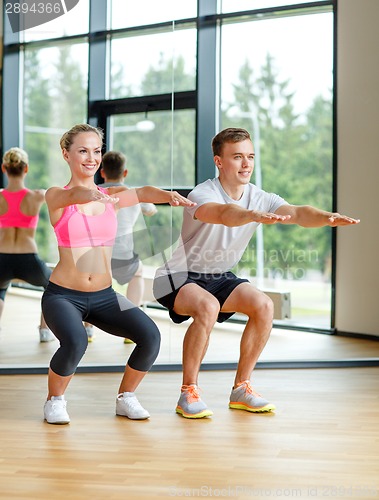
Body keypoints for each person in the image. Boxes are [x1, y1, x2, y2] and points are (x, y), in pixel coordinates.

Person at [153, 127, 360, 419]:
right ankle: (188, 391)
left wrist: (327, 217)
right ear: (219, 161)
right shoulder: (202, 193)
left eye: (250, 156)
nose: (246, 163)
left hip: (218, 275)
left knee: (263, 306)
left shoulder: (259, 196)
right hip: (177, 276)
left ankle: (241, 388)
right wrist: (250, 215)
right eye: (237, 157)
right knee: (208, 307)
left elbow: (298, 213)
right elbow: (223, 215)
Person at [41, 123, 195, 425]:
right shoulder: (56, 195)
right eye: (83, 151)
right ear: (66, 154)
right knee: (75, 342)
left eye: (96, 151)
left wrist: (169, 195)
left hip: (104, 296)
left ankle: (126, 397)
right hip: (63, 296)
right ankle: (55, 400)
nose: (91, 158)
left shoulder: (110, 196)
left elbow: (140, 192)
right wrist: (93, 195)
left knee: (150, 335)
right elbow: (76, 196)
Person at [84, 150, 157, 343]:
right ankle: (131, 329)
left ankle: (88, 329)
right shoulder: (132, 193)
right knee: (138, 273)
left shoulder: (94, 192)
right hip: (123, 256)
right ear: (125, 173)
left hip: (97, 256)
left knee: (91, 284)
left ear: (102, 172)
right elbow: (151, 210)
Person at [0, 147, 54, 342]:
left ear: (4, 168)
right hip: (28, 259)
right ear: (26, 169)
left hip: (2, 257)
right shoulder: (37, 196)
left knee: (0, 289)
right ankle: (44, 330)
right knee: (53, 286)